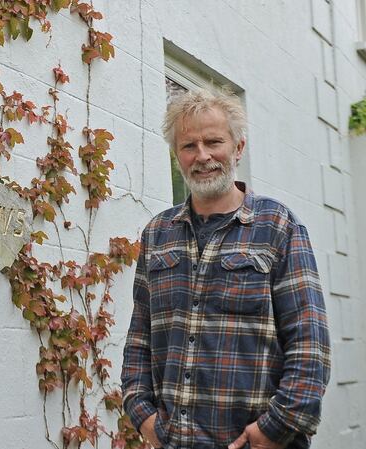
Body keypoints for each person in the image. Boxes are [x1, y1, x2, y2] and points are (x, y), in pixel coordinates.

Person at [121, 88, 330, 449]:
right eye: (189, 146)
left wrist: (276, 428)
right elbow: (139, 338)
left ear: (238, 148)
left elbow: (309, 345)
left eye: (213, 141)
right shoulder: (158, 234)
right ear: (177, 156)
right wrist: (143, 416)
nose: (202, 156)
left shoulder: (277, 226)